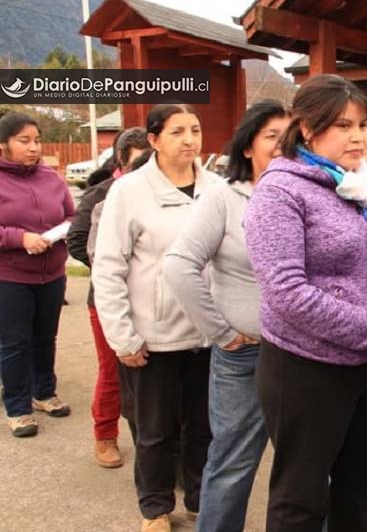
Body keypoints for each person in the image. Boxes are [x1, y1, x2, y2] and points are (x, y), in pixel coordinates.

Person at [243, 74, 367, 532]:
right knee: (300, 500)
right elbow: (286, 292)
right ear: (306, 128)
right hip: (307, 370)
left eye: (362, 124)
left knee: (361, 489)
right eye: (343, 125)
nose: (358, 135)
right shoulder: (280, 191)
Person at [162, 100, 290, 532]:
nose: (282, 145)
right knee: (233, 460)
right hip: (245, 356)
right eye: (272, 136)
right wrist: (222, 332)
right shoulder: (224, 197)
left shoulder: (311, 193)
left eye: (290, 136)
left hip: (305, 356)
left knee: (308, 464)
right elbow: (179, 265)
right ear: (248, 145)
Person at [92, 103, 221, 532]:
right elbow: (108, 267)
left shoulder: (216, 187)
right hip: (154, 337)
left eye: (196, 130)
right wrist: (123, 336)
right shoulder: (129, 192)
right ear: (153, 140)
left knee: (203, 428)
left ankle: (203, 503)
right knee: (155, 431)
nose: (190, 140)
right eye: (177, 131)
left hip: (208, 335)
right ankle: (155, 509)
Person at [68, 127, 149, 467]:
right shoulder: (102, 194)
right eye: (140, 159)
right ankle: (105, 436)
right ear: (122, 158)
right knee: (112, 371)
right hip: (106, 300)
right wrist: (111, 273)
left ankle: (154, 444)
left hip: (150, 301)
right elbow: (77, 241)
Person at [0, 111, 74, 437]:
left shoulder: (52, 178)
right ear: (4, 144)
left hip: (52, 273)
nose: (33, 147)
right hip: (10, 276)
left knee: (46, 336)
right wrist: (20, 237)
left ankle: (43, 392)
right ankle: (17, 408)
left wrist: (67, 230)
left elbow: (73, 214)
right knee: (15, 342)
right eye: (24, 141)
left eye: (37, 140)